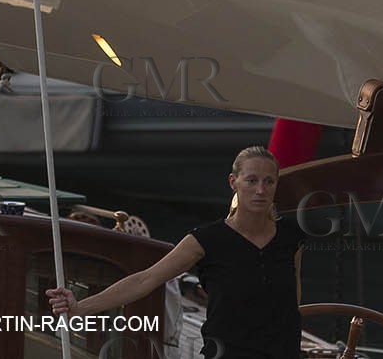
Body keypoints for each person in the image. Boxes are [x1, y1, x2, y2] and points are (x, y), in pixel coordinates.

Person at [46, 146, 302, 359]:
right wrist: (79, 308)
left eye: (269, 182)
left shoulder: (290, 236)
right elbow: (146, 279)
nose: (260, 190)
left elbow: (292, 300)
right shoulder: (207, 239)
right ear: (233, 183)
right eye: (252, 180)